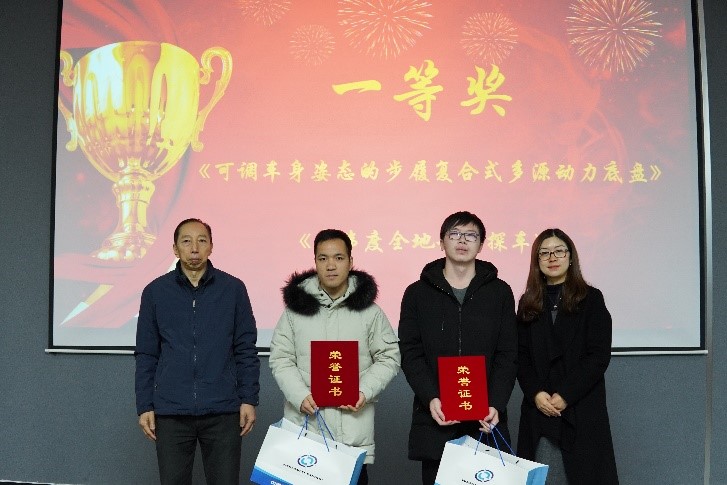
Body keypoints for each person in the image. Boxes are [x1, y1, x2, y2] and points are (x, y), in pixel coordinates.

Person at [134, 218, 260, 485]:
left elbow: (245, 349)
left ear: (211, 246)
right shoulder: (155, 292)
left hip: (223, 409)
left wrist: (248, 398)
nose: (194, 248)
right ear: (175, 248)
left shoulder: (233, 289)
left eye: (202, 241)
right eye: (186, 241)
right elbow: (146, 354)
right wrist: (145, 405)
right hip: (171, 411)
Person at [269, 229, 400, 485]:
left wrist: (364, 391)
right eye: (323, 258)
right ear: (315, 262)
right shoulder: (294, 312)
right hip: (306, 431)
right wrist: (299, 395)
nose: (331, 265)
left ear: (350, 262)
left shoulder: (370, 312)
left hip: (352, 435)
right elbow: (280, 358)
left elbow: (389, 357)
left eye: (338, 258)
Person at [398, 211, 518, 485]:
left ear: (481, 244)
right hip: (436, 416)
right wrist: (431, 397)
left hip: (485, 419)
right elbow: (411, 352)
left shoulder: (500, 292)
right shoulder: (417, 293)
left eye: (471, 235)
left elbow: (508, 353)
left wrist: (496, 403)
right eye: (454, 234)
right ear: (442, 242)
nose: (462, 240)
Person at [516, 228, 618, 484]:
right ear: (537, 261)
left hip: (580, 407)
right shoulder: (528, 302)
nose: (552, 258)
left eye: (559, 251)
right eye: (544, 253)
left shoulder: (591, 299)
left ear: (571, 257)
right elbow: (520, 356)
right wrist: (536, 394)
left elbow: (598, 355)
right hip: (540, 408)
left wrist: (565, 395)